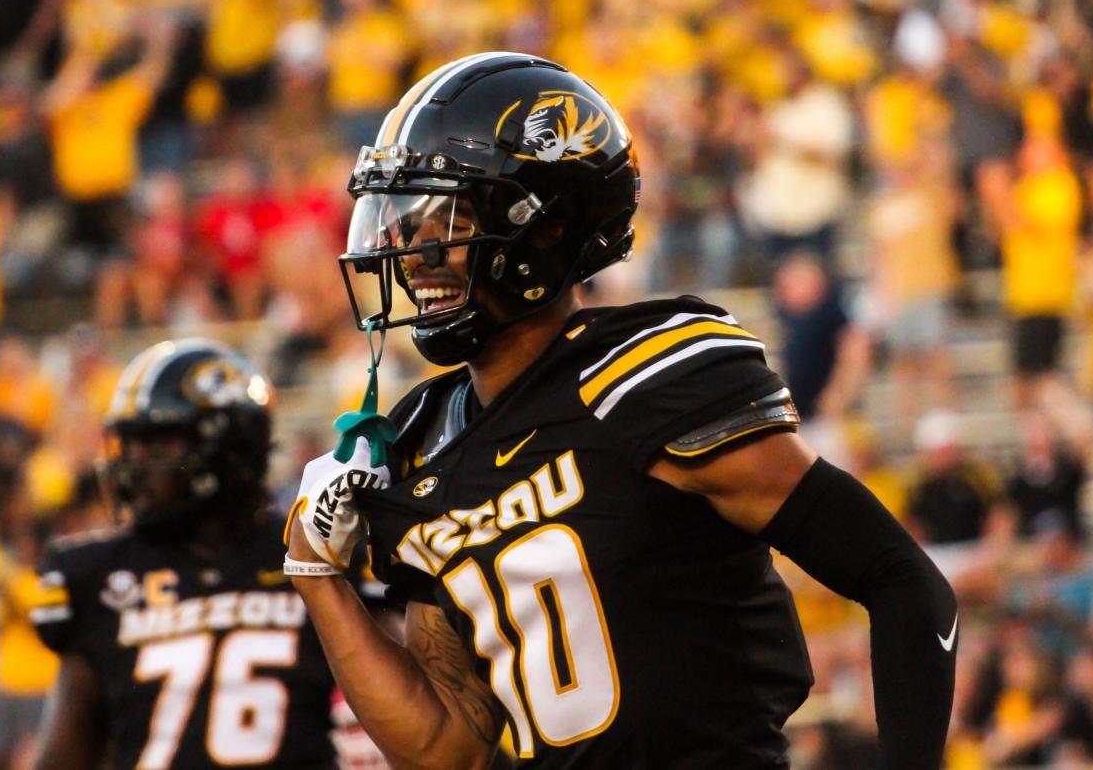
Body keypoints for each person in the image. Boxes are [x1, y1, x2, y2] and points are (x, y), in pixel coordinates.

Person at [284, 53, 957, 768]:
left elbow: (902, 581)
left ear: (539, 227)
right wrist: (317, 577)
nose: (410, 255)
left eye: (439, 221)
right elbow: (450, 750)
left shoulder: (642, 381)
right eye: (400, 223)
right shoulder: (422, 445)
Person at [30, 339, 343, 770]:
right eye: (131, 444)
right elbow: (64, 758)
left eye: (157, 444)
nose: (135, 465)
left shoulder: (313, 552)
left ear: (230, 447)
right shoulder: (96, 575)